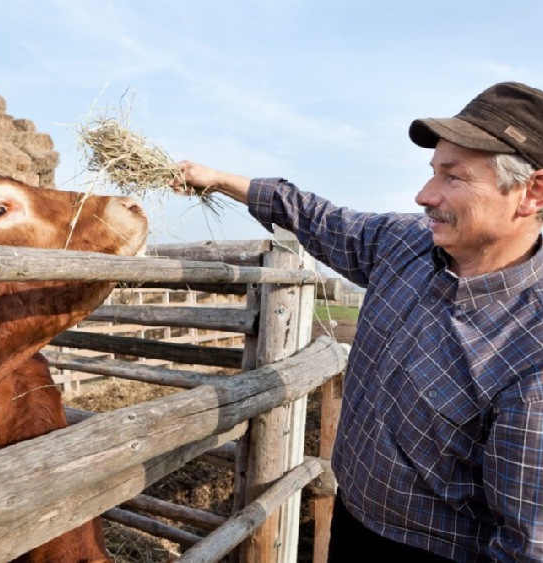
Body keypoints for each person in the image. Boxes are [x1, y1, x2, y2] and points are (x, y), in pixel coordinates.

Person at [173, 81, 543, 562]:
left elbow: (527, 544)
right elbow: (317, 217)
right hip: (351, 519)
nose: (423, 195)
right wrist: (218, 179)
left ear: (532, 192)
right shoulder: (406, 244)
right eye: (433, 172)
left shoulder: (531, 350)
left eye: (453, 177)